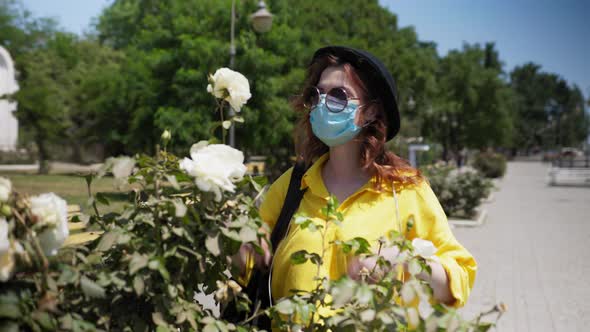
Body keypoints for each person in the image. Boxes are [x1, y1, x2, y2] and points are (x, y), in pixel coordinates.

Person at [234, 46, 476, 317]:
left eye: (338, 96)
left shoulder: (406, 191)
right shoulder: (293, 184)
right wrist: (237, 246)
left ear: (370, 111)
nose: (324, 104)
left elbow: (460, 275)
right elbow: (246, 266)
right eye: (317, 94)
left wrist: (405, 261)